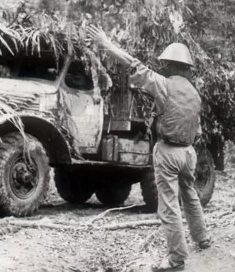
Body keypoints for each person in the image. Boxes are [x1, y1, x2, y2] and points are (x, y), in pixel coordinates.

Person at [87, 26, 211, 272]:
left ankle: (177, 259)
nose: (162, 67)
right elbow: (197, 131)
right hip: (189, 153)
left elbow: (132, 63)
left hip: (169, 152)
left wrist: (106, 43)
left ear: (170, 66)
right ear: (187, 68)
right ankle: (203, 238)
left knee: (169, 206)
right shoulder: (195, 95)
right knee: (190, 194)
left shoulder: (163, 85)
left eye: (165, 64)